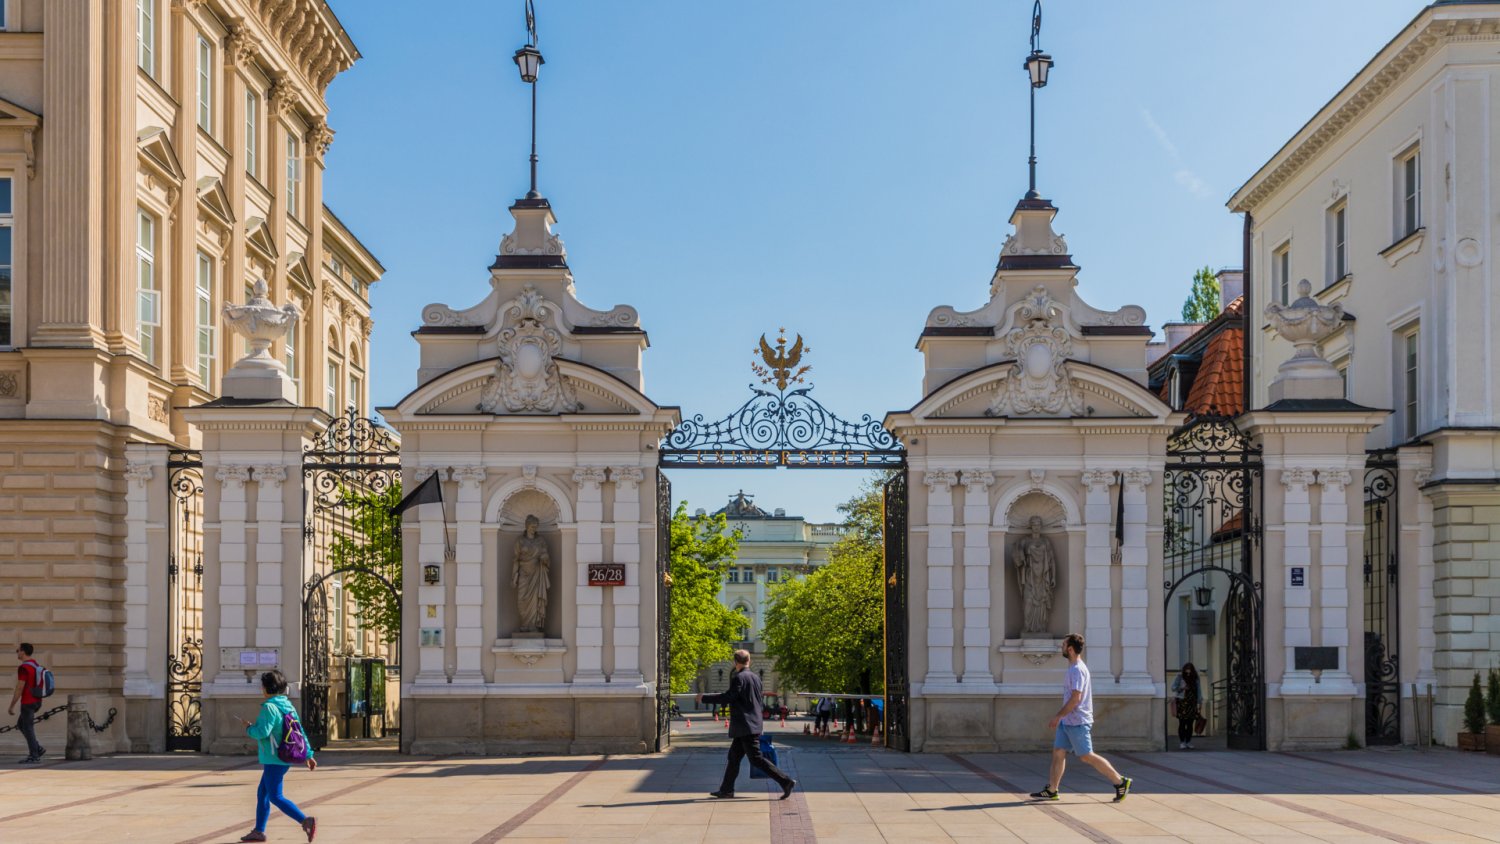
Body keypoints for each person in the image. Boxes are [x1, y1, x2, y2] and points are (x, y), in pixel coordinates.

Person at [1030, 633, 1132, 803]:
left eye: (1063, 645)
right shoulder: (1073, 668)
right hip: (1068, 721)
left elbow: (1075, 698)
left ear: (1070, 649)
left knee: (1086, 755)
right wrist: (1062, 718)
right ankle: (1052, 790)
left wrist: (1058, 716)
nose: (1061, 647)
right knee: (1058, 752)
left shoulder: (1077, 670)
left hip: (1077, 722)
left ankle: (1120, 782)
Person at [697, 650, 796, 800]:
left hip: (745, 725)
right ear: (748, 660)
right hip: (751, 723)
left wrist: (704, 698)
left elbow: (729, 697)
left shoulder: (739, 678)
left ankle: (786, 781)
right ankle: (726, 790)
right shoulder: (756, 678)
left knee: (756, 758)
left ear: (736, 662)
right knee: (734, 757)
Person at [233, 670, 318, 843]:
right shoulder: (287, 705)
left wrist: (249, 728)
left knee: (275, 796)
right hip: (284, 755)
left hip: (274, 757)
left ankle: (305, 820)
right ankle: (258, 831)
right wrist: (308, 754)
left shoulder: (269, 707)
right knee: (262, 793)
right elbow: (299, 732)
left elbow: (262, 732)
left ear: (265, 688)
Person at [8, 643, 45, 763]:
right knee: (21, 724)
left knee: (28, 728)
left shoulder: (24, 668)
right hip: (37, 700)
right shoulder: (35, 664)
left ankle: (34, 755)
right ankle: (37, 748)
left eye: (17, 650)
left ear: (23, 652)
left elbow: (19, 688)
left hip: (28, 702)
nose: (17, 652)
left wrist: (12, 706)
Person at [1171, 663, 1202, 749]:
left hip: (1192, 702)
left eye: (1190, 669)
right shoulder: (1180, 676)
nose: (1188, 671)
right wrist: (1182, 688)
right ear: (1184, 669)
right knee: (1182, 722)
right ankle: (1182, 742)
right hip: (1182, 702)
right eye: (1186, 669)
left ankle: (1188, 741)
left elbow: (1199, 689)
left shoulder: (1195, 677)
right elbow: (1173, 687)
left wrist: (1200, 701)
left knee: (1190, 723)